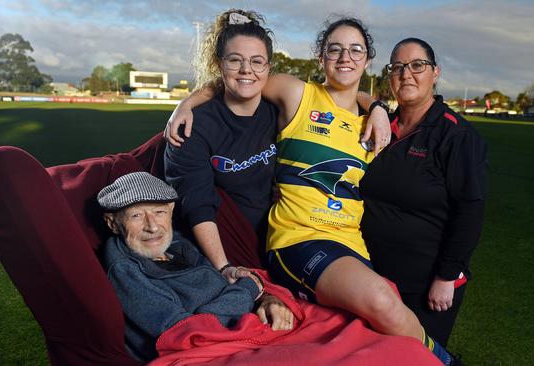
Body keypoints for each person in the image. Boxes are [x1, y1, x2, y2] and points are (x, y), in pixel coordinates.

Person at [165, 17, 462, 366]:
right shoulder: (296, 93)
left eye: (356, 50)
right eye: (334, 49)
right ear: (321, 58)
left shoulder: (375, 122)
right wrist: (186, 102)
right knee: (381, 299)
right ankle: (446, 361)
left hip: (351, 243)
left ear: (367, 61)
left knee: (376, 326)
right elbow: (241, 77)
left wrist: (378, 107)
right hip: (298, 238)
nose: (345, 57)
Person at [360, 37, 488, 347]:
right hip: (372, 277)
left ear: (436, 72)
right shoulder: (380, 127)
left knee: (418, 355)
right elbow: (348, 93)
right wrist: (375, 106)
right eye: (398, 67)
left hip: (426, 283)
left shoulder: (456, 135)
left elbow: (470, 210)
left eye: (417, 65)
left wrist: (446, 277)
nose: (406, 74)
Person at [98, 172, 294, 362]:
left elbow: (220, 282)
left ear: (171, 210)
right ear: (112, 223)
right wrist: (248, 288)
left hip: (245, 323)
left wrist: (262, 296)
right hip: (208, 351)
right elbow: (189, 331)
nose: (153, 226)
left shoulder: (176, 243)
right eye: (136, 216)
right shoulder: (124, 269)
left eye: (159, 212)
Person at [164, 9, 279, 282]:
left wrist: (377, 107)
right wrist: (224, 266)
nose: (246, 70)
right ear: (219, 65)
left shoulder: (281, 110)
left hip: (284, 238)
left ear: (268, 67)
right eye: (234, 60)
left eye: (256, 61)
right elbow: (197, 203)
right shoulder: (194, 127)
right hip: (227, 246)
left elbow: (330, 94)